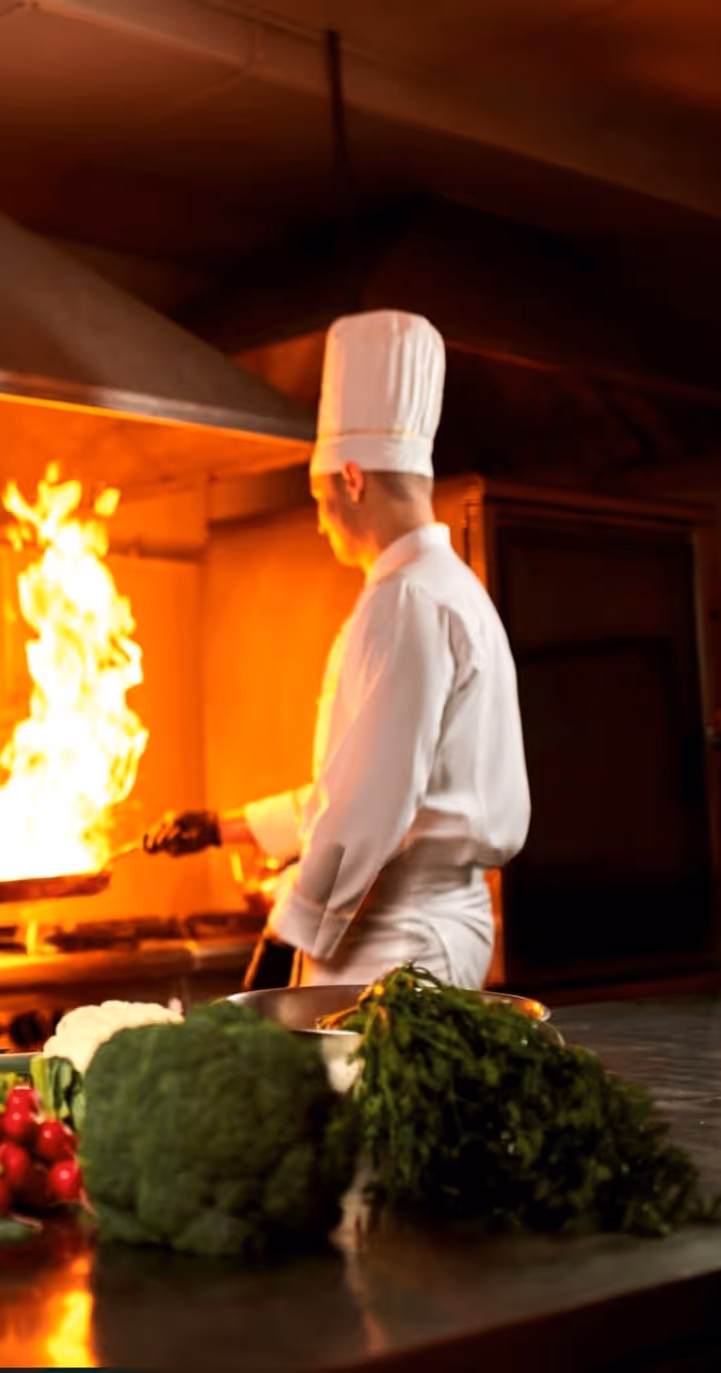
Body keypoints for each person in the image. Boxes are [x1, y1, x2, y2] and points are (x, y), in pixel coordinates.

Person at [145, 310, 530, 988]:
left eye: (320, 498)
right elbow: (365, 779)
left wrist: (289, 921)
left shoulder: (405, 600)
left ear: (352, 479)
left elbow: (368, 804)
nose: (322, 523)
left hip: (394, 934)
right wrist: (219, 826)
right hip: (414, 922)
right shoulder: (450, 589)